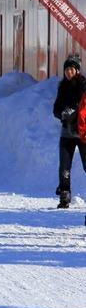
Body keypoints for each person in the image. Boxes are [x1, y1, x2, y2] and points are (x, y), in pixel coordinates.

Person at [53, 56, 86, 208]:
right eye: (66, 69)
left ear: (77, 70)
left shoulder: (83, 86)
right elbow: (56, 108)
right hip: (66, 133)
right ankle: (64, 196)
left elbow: (82, 108)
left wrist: (73, 112)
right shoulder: (62, 87)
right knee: (64, 167)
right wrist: (62, 114)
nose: (68, 72)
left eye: (71, 69)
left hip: (83, 133)